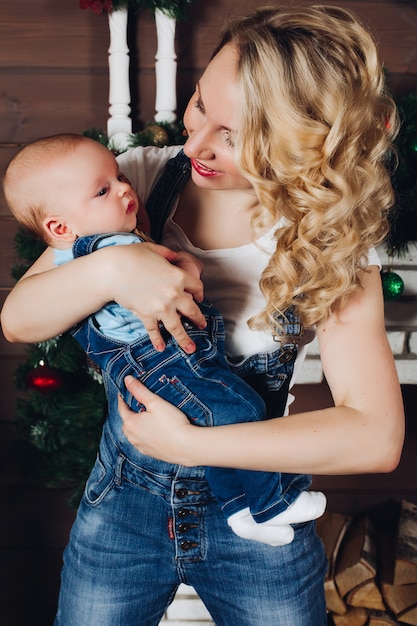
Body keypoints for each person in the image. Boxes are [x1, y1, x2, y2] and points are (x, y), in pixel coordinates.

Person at [0, 5, 405, 626]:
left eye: (233, 135)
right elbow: (19, 320)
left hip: (259, 522)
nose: (193, 145)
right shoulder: (135, 183)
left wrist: (195, 442)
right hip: (123, 511)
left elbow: (375, 438)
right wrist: (110, 270)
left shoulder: (329, 242)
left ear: (306, 144)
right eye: (197, 105)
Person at [3, 133, 326, 547]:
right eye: (103, 190)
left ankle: (242, 508)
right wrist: (127, 266)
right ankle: (270, 503)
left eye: (120, 176)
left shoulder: (109, 237)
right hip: (157, 362)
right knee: (240, 407)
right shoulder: (106, 244)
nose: (123, 188)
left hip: (162, 362)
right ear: (60, 227)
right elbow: (19, 317)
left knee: (222, 419)